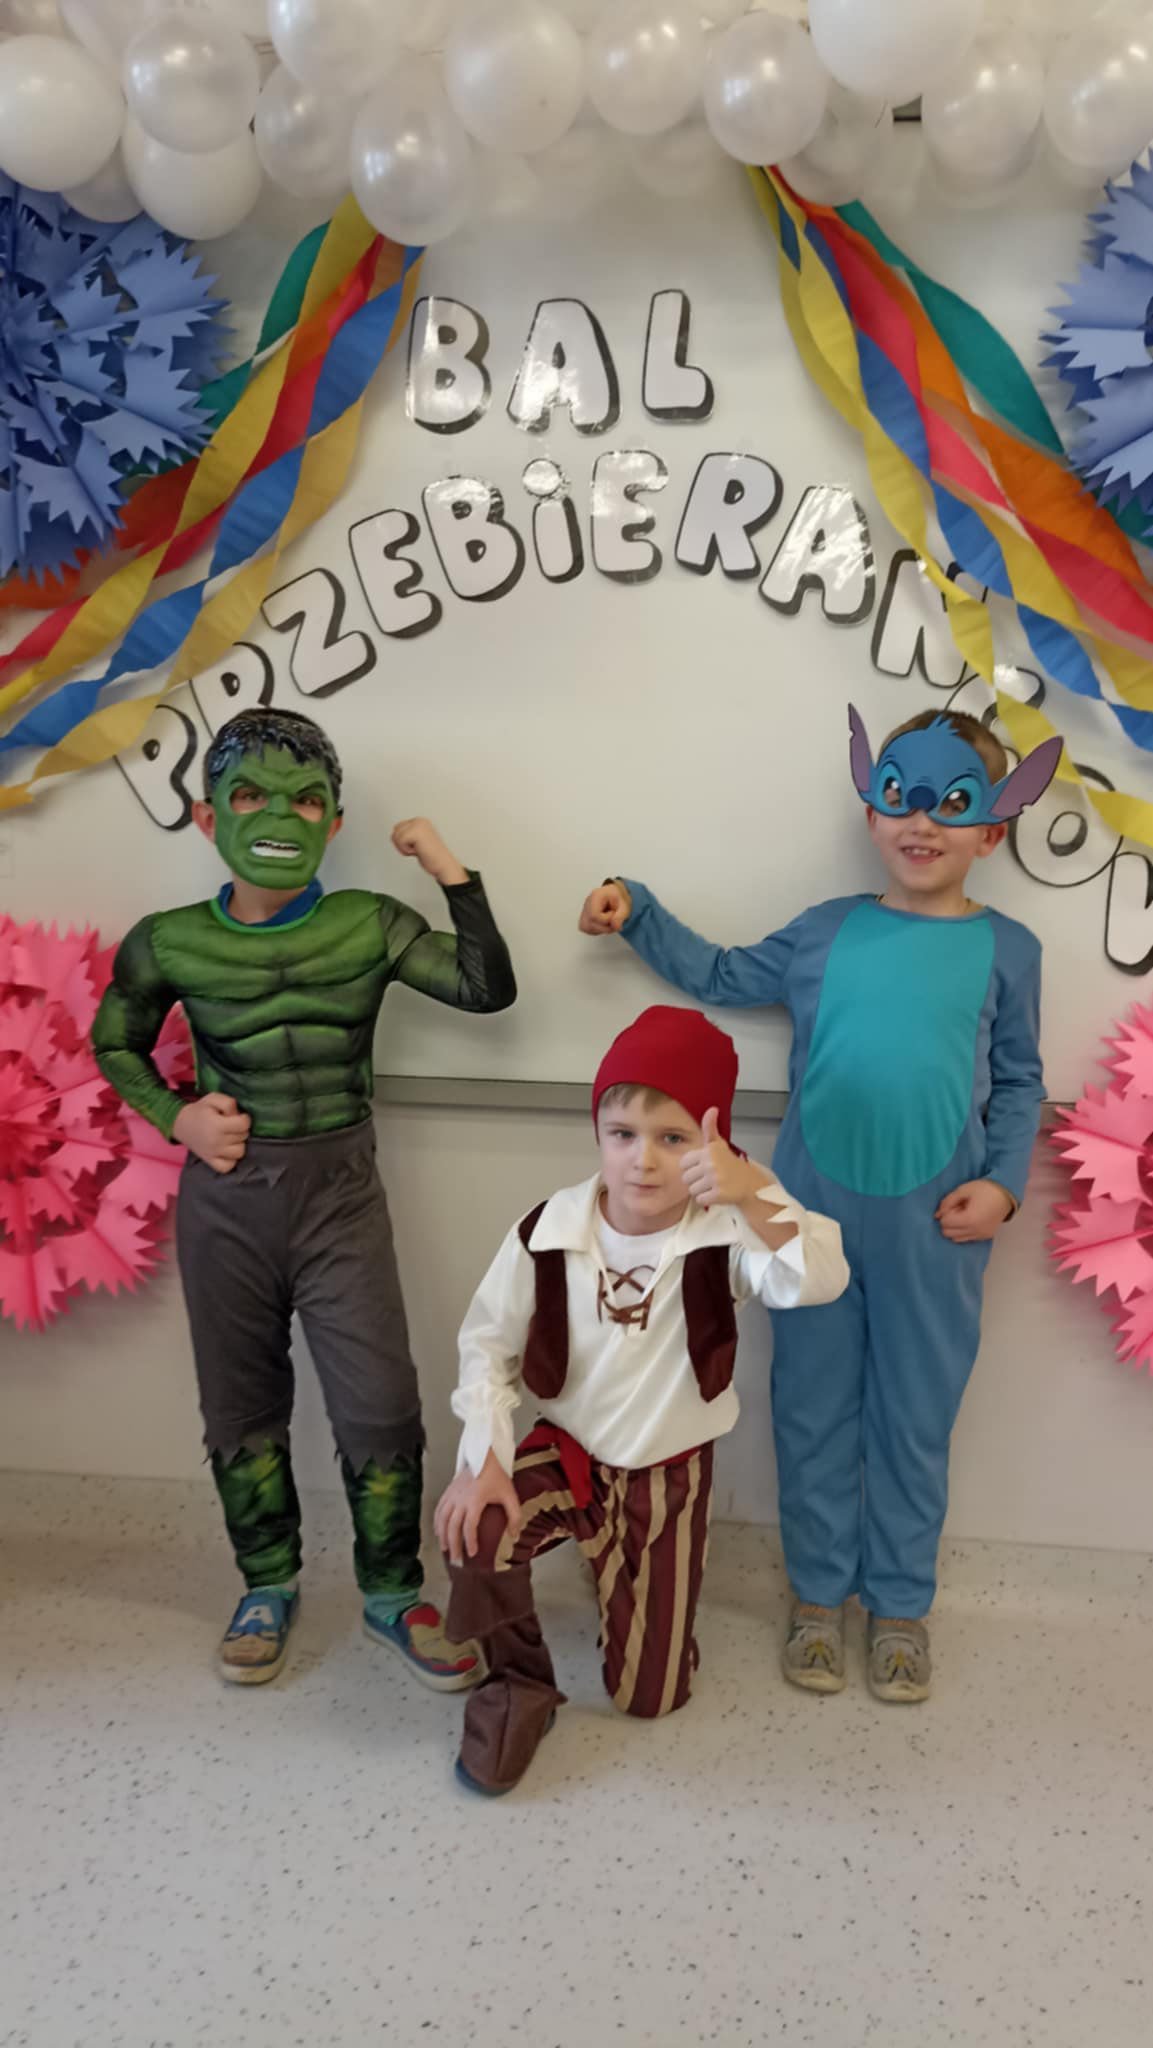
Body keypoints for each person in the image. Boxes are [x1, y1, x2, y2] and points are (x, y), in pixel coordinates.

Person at [578, 706, 1061, 1704]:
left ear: (991, 830)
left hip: (938, 1230)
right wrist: (641, 912)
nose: (920, 822)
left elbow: (1018, 1081)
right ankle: (815, 1595)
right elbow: (719, 974)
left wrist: (1005, 1185)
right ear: (871, 810)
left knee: (913, 1420)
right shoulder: (823, 930)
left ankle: (899, 1606)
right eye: (899, 797)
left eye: (950, 803)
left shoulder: (1008, 949)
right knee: (809, 1412)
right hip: (804, 1227)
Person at [93, 705, 517, 1689]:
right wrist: (177, 1115)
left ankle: (391, 1592)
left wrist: (452, 876)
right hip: (227, 1201)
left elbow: (484, 990)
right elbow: (115, 1041)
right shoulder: (167, 941)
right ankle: (267, 1583)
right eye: (249, 795)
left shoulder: (369, 923)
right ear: (208, 818)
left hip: (341, 1194)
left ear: (333, 820)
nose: (278, 815)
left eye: (305, 798)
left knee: (381, 1405)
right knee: (240, 1402)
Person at [434, 1004, 849, 1795]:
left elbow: (818, 1279)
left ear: (713, 1144)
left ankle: (634, 1597)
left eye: (673, 1138)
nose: (644, 1160)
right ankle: (517, 1686)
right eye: (622, 1133)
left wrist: (755, 1192)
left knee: (650, 1699)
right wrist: (482, 1457)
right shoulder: (547, 1229)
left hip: (667, 1477)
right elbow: (486, 1343)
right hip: (568, 1454)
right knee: (477, 1528)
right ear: (597, 1130)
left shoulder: (726, 1232)